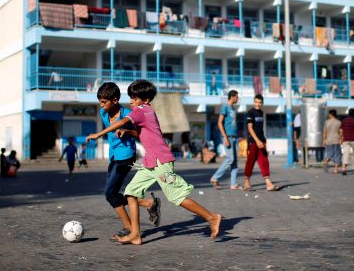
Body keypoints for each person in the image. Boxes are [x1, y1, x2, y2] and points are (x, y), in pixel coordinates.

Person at [86, 79, 222, 244]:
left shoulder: (141, 110)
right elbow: (143, 134)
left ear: (145, 100)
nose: (131, 102)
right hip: (150, 161)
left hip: (161, 162)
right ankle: (135, 234)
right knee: (131, 192)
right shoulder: (147, 111)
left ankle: (212, 217)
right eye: (131, 98)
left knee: (176, 197)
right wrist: (128, 132)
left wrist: (98, 134)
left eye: (135, 98)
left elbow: (122, 121)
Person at [96, 82, 160, 241]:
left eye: (104, 101)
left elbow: (142, 134)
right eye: (100, 101)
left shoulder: (129, 114)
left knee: (110, 193)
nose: (101, 105)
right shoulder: (103, 113)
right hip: (113, 156)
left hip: (126, 156)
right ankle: (147, 203)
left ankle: (129, 227)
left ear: (115, 100)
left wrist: (127, 131)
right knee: (111, 194)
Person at [243, 94, 280, 191]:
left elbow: (260, 128)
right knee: (250, 162)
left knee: (264, 161)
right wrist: (257, 140)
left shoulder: (261, 113)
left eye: (260, 102)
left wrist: (263, 140)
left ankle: (268, 184)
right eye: (256, 102)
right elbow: (250, 128)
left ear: (262, 103)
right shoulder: (250, 113)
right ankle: (246, 182)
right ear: (254, 102)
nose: (258, 104)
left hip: (261, 141)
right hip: (253, 142)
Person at [211, 90, 241, 189]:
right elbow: (220, 123)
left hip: (235, 137)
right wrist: (226, 138)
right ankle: (215, 177)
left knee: (235, 161)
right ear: (232, 97)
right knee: (230, 159)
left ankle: (233, 184)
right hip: (228, 137)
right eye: (237, 96)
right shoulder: (225, 107)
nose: (238, 98)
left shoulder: (233, 108)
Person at [340, 108, 354, 175]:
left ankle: (344, 168)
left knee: (345, 154)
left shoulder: (344, 120)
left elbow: (341, 131)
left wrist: (341, 139)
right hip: (353, 139)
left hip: (345, 139)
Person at [322, 109, 342, 174]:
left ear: (330, 114)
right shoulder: (339, 122)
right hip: (336, 140)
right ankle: (336, 169)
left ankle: (326, 162)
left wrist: (324, 140)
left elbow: (324, 132)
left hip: (328, 140)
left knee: (329, 153)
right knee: (337, 154)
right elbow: (341, 132)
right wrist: (341, 139)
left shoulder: (327, 122)